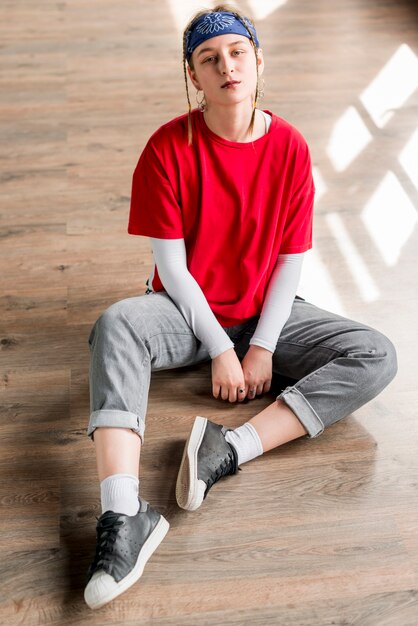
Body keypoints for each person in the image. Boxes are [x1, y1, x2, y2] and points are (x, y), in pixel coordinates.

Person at [83, 5, 397, 610]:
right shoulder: (166, 149)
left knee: (376, 355)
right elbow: (172, 271)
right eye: (209, 58)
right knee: (116, 323)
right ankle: (125, 516)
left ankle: (226, 448)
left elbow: (291, 260)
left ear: (258, 61)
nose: (226, 65)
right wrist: (224, 349)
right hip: (185, 313)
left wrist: (263, 345)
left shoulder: (291, 148)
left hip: (263, 311)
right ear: (193, 77)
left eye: (237, 52)